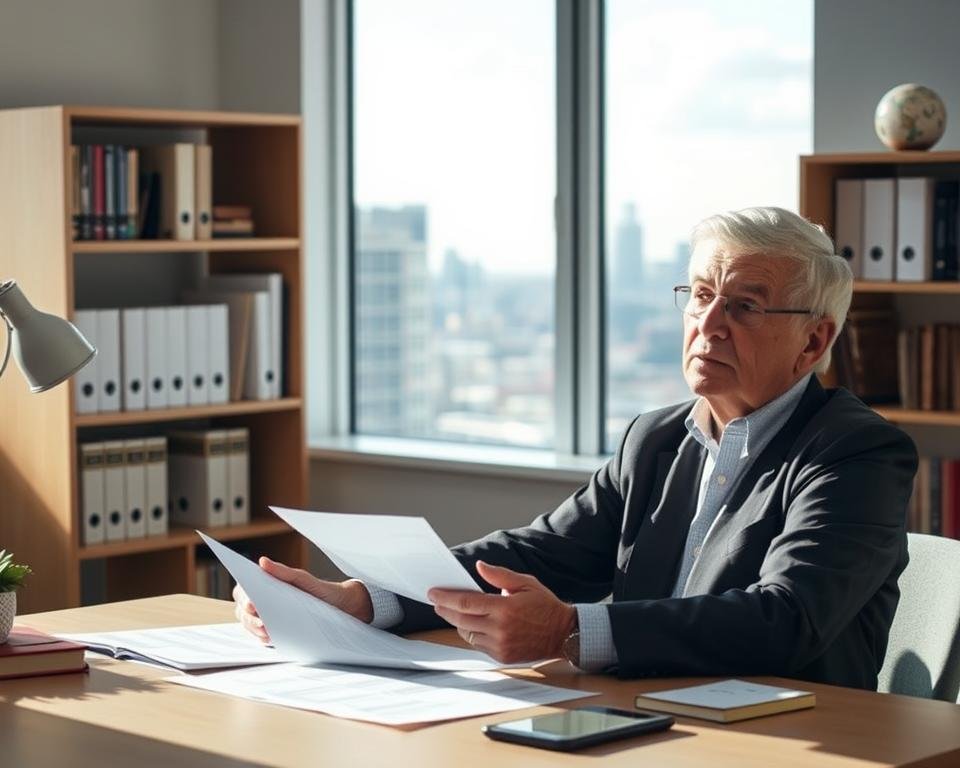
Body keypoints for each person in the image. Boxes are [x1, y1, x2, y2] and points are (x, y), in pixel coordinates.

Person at [235, 206, 918, 690]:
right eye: (701, 296)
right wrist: (362, 598)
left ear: (814, 341)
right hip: (644, 715)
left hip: (786, 737)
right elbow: (536, 555)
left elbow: (785, 619)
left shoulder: (856, 453)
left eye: (743, 306)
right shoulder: (656, 439)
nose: (709, 325)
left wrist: (569, 632)